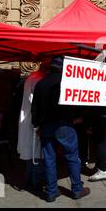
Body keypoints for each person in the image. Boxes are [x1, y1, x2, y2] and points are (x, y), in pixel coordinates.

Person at [31, 56, 90, 202]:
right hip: (64, 125)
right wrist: (77, 117)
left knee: (49, 159)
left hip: (45, 126)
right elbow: (75, 103)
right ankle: (77, 188)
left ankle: (51, 192)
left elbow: (35, 109)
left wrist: (36, 125)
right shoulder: (67, 82)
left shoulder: (40, 84)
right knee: (72, 157)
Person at [17, 64, 47, 190]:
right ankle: (36, 182)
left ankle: (30, 179)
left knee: (31, 152)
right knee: (36, 153)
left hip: (29, 119)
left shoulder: (32, 77)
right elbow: (34, 101)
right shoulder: (38, 79)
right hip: (33, 121)